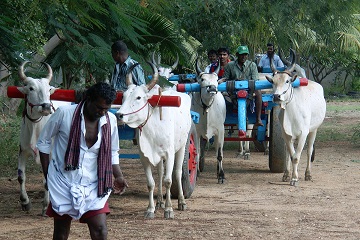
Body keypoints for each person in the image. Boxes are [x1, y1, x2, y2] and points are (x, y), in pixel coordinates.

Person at [37, 82, 128, 240]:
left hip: (94, 183)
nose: (102, 112)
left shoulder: (110, 120)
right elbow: (43, 142)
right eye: (99, 108)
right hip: (63, 181)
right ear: (88, 99)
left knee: (100, 229)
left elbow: (113, 151)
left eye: (106, 109)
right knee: (61, 232)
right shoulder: (64, 113)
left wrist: (118, 175)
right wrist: (47, 175)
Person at [224, 45, 264, 126]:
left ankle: (258, 119)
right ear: (237, 54)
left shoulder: (252, 65)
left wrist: (245, 82)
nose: (243, 56)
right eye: (241, 54)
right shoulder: (229, 65)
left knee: (259, 92)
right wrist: (235, 81)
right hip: (233, 90)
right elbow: (225, 79)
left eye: (245, 54)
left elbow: (255, 81)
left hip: (249, 90)